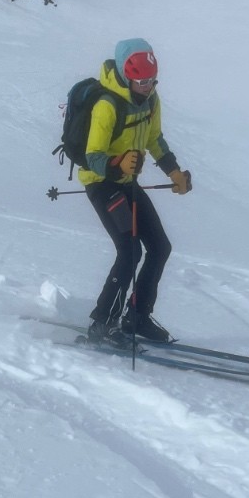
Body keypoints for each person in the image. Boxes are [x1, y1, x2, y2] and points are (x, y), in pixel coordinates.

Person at [78, 38, 192, 344]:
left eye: (151, 81)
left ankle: (137, 317)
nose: (147, 87)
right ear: (128, 77)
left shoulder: (152, 100)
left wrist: (174, 171)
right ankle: (103, 322)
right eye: (141, 81)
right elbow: (92, 156)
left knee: (160, 247)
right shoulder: (107, 105)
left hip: (127, 183)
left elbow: (154, 139)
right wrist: (117, 164)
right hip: (101, 183)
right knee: (129, 251)